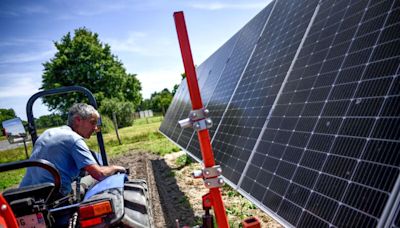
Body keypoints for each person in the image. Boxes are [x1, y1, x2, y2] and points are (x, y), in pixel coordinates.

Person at [20, 103, 126, 196]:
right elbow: (99, 174)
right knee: (95, 180)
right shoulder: (74, 139)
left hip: (26, 193)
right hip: (54, 196)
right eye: (93, 122)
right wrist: (115, 168)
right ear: (78, 120)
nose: (95, 128)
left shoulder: (47, 133)